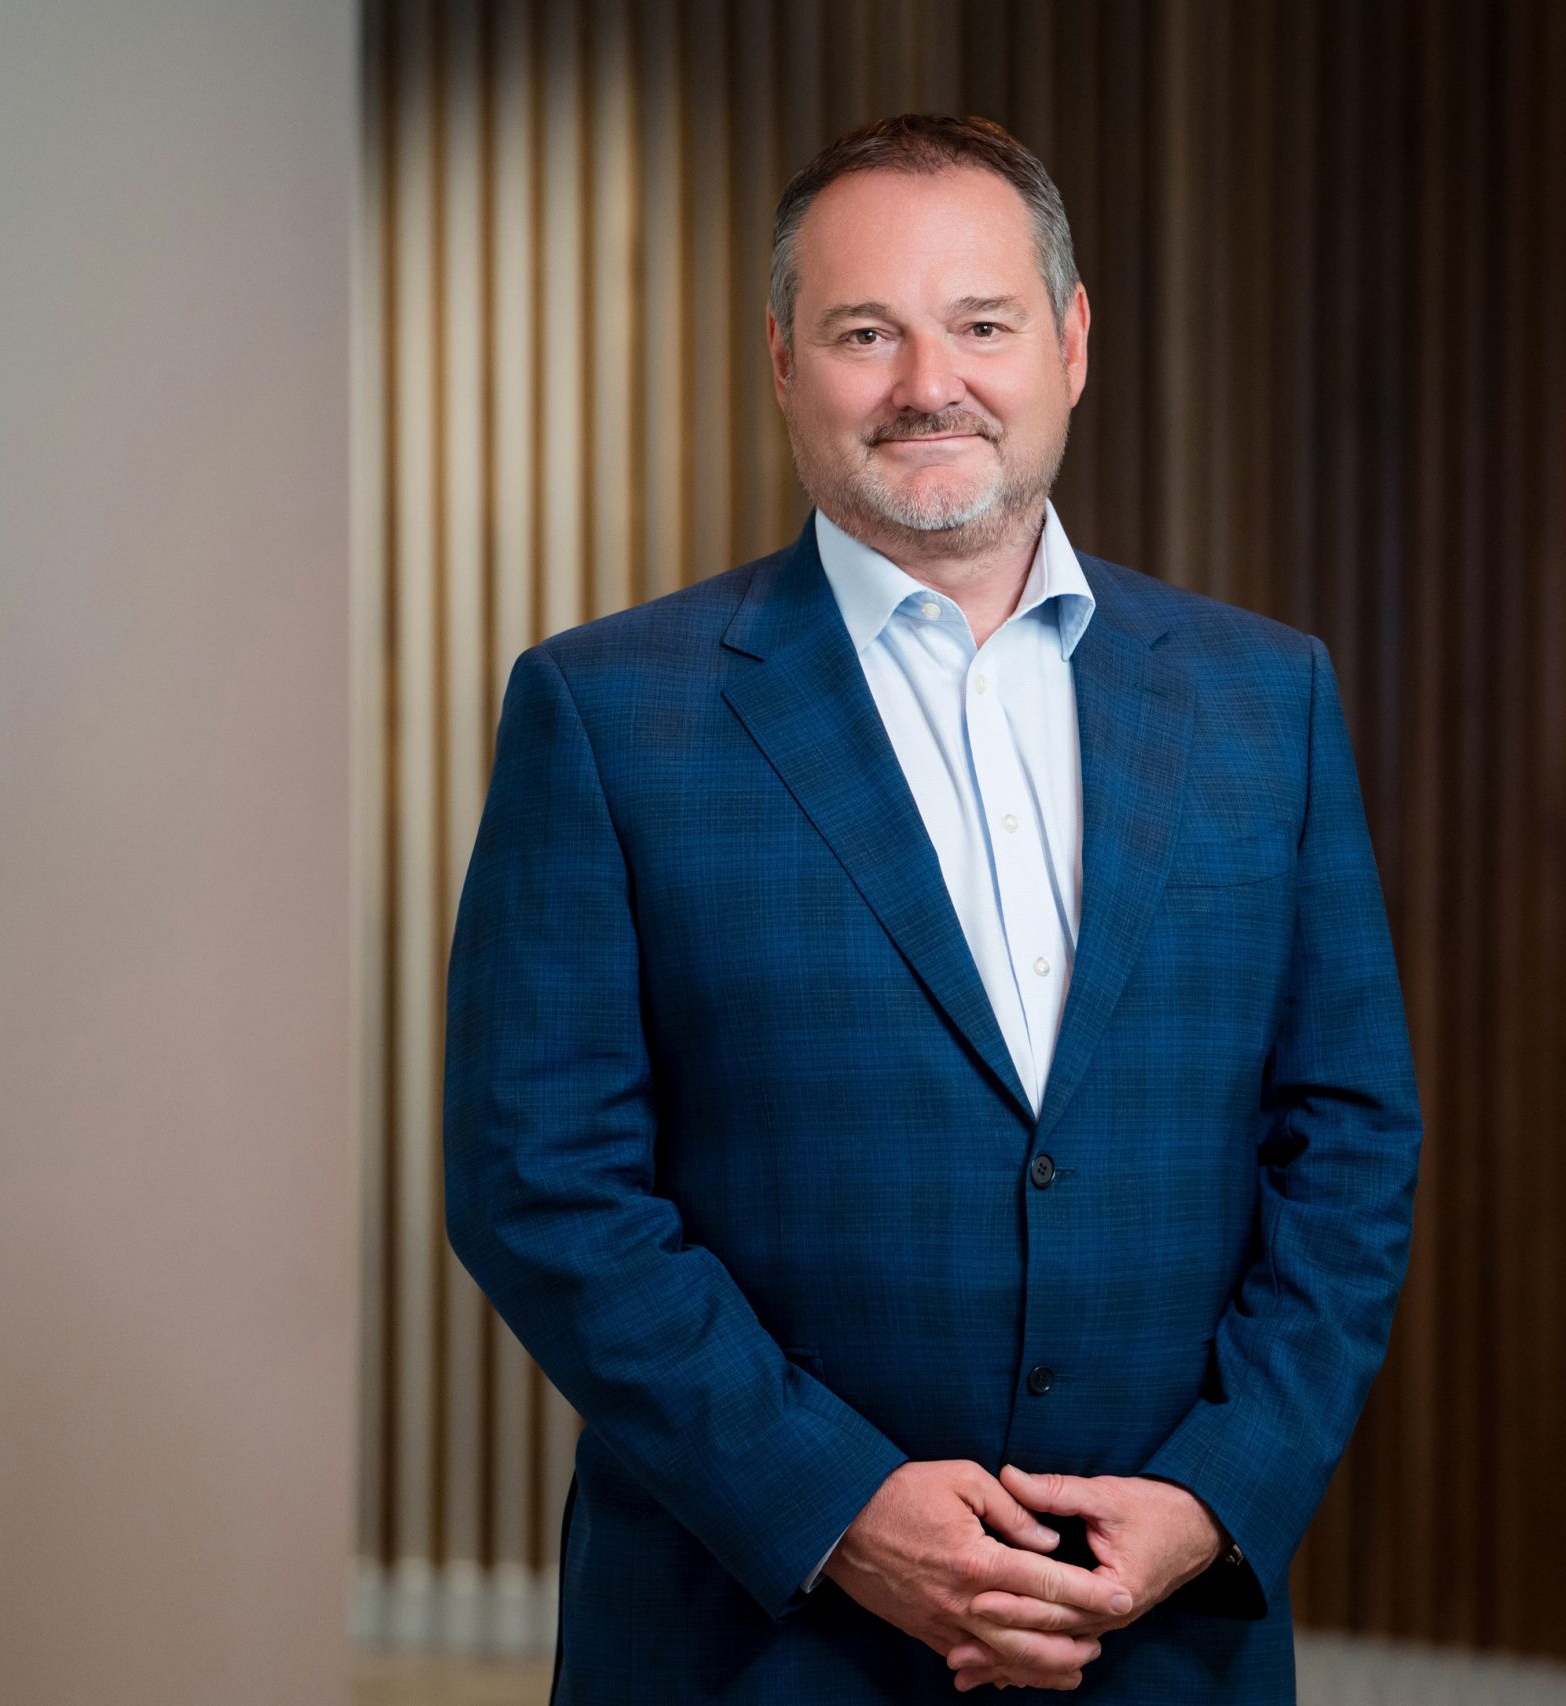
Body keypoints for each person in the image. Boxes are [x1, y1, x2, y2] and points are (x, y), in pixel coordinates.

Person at [442, 112, 1422, 1703]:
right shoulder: (607, 714)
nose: (928, 382)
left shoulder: (1266, 699)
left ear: (1072, 342)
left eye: (981, 323)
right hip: (757, 1644)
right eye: (864, 333)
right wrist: (835, 1506)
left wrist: (1216, 1491)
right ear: (782, 360)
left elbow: (1351, 1138)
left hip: (1165, 1639)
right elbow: (536, 1182)